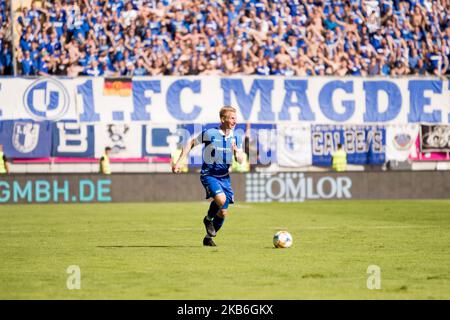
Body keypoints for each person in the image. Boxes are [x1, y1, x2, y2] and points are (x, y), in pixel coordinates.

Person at [172, 106, 245, 246]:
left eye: (236, 118)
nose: (235, 121)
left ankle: (208, 238)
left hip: (225, 177)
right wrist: (180, 161)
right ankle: (208, 218)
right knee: (221, 199)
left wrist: (237, 153)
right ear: (223, 119)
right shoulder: (211, 133)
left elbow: (240, 160)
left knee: (223, 213)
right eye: (232, 118)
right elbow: (191, 143)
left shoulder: (236, 137)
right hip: (209, 175)